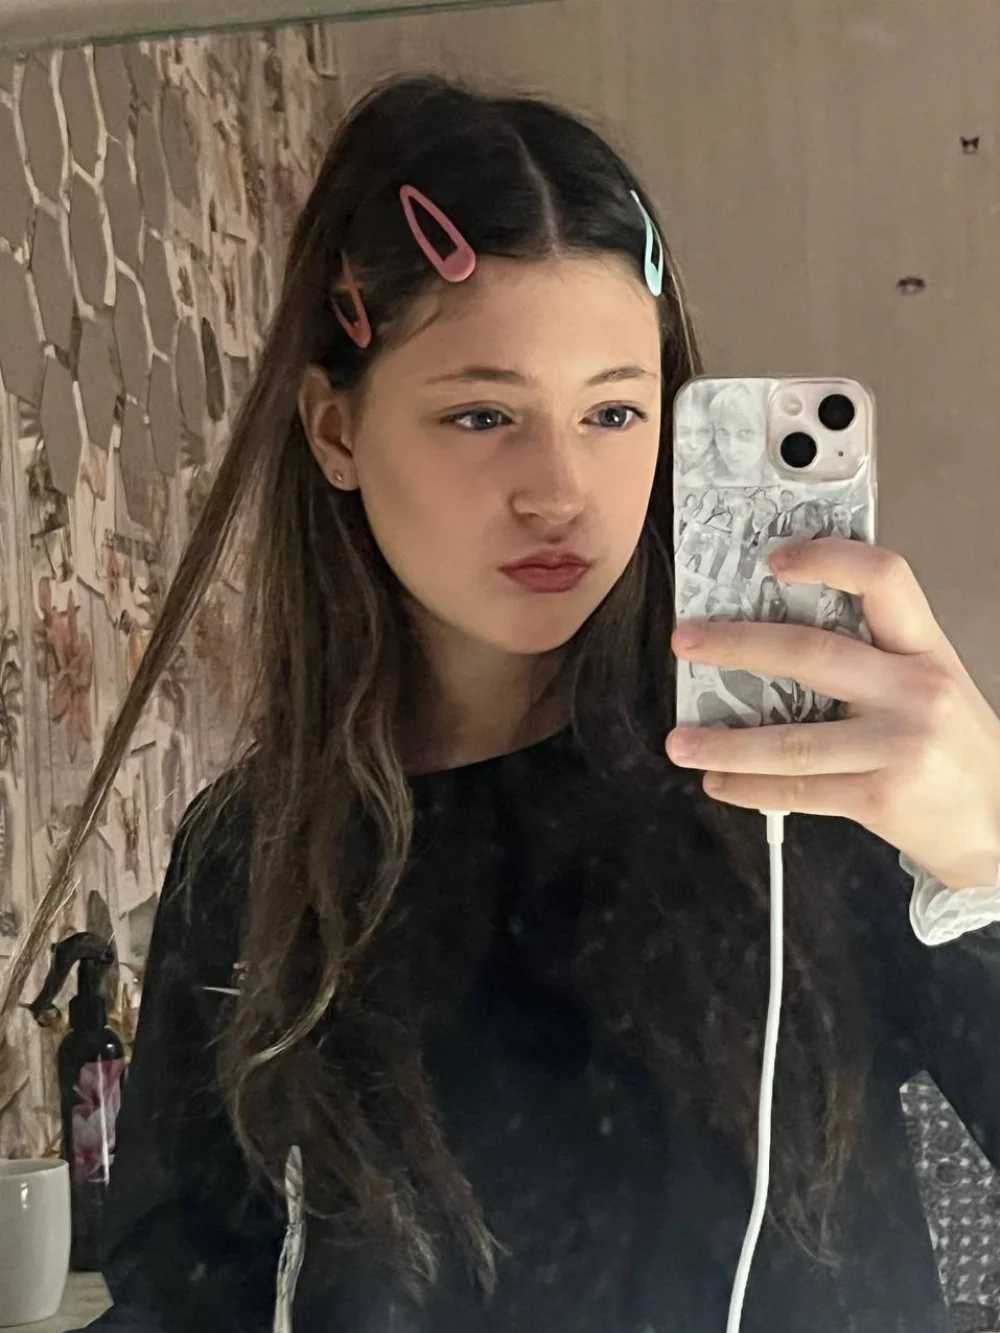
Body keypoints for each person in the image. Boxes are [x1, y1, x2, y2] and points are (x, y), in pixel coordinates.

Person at [3, 73, 998, 1333]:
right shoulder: (251, 856)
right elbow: (183, 1293)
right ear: (334, 431)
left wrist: (988, 857)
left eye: (614, 411)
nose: (561, 490)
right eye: (483, 414)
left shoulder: (807, 779)